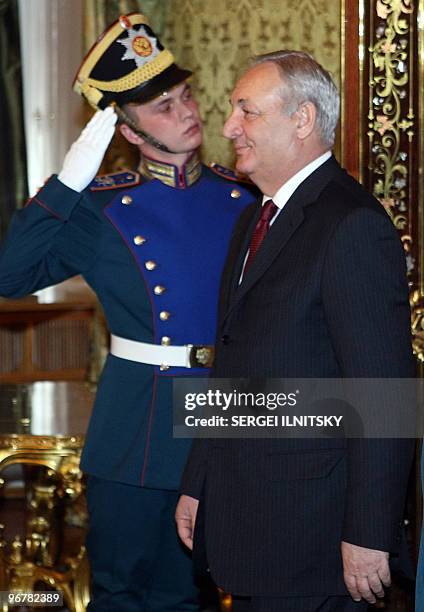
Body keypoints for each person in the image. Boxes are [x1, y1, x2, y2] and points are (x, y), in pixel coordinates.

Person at [0, 13, 257, 611]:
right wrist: (66, 184)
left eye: (185, 95)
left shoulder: (239, 198)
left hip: (221, 418)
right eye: (163, 107)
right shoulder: (103, 209)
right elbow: (11, 275)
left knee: (191, 593)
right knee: (122, 591)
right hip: (135, 427)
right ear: (130, 133)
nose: (187, 111)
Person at [176, 50, 415, 612]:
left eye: (247, 112)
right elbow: (230, 369)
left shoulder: (350, 224)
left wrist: (368, 534)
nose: (229, 127)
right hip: (249, 519)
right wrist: (198, 480)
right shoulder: (254, 219)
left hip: (314, 536)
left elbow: (382, 396)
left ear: (303, 120)